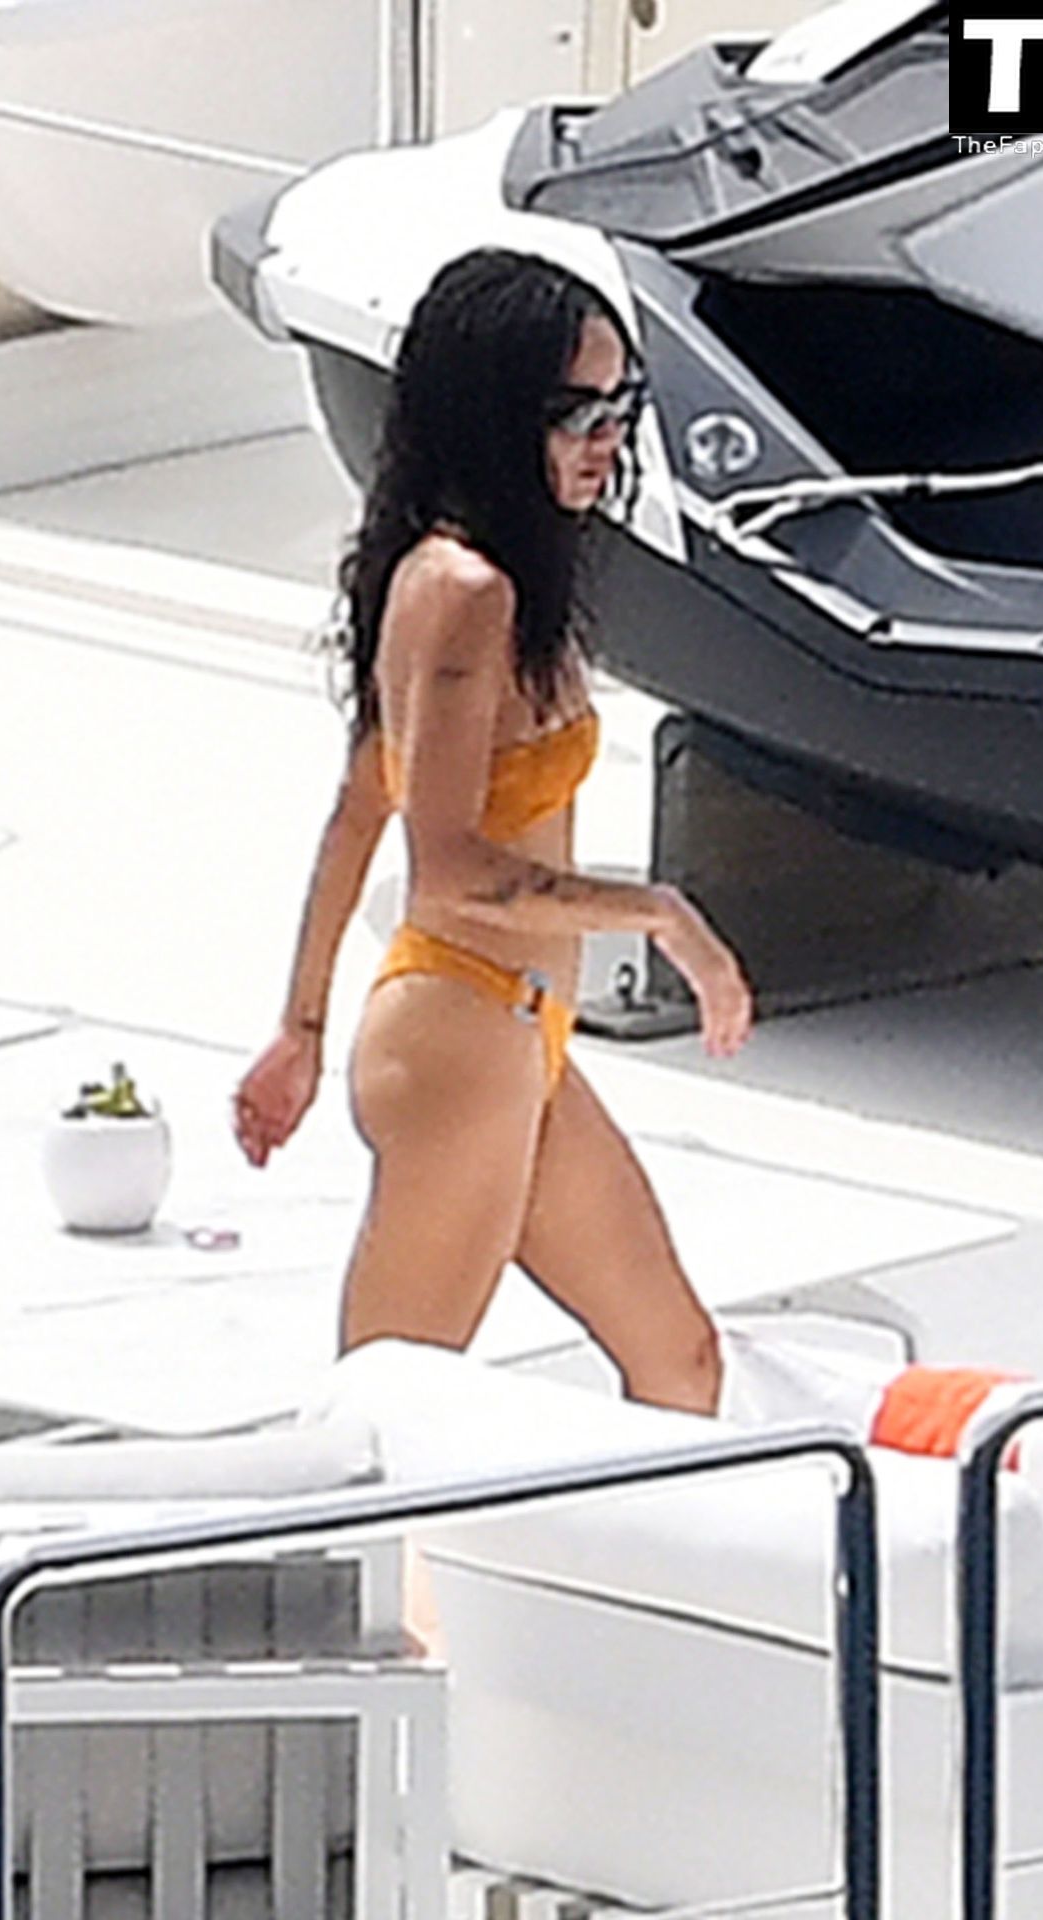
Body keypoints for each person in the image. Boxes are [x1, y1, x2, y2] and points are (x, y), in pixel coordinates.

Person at [232, 247, 753, 1415]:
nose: (605, 438)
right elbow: (446, 872)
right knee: (389, 1418)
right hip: (460, 1038)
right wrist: (659, 915)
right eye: (576, 412)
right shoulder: (465, 592)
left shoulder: (482, 579)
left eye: (620, 406)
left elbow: (360, 805)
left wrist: (299, 1028)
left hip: (518, 1032)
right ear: (494, 414)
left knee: (680, 1360)